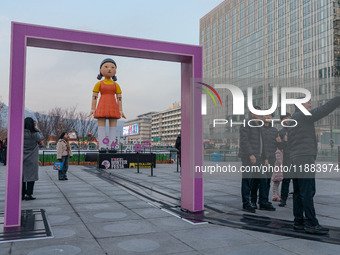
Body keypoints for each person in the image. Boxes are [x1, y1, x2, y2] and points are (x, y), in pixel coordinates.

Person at [288, 96, 340, 235]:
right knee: (307, 190)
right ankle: (311, 223)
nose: (310, 104)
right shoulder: (302, 115)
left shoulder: (295, 117)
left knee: (299, 192)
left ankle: (298, 222)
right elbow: (324, 109)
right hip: (304, 157)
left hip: (296, 158)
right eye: (307, 102)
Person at [238, 107, 274, 213]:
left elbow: (264, 144)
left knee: (263, 179)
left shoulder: (260, 126)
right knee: (247, 180)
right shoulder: (246, 123)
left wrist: (266, 158)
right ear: (251, 113)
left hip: (259, 158)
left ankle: (263, 202)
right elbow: (244, 141)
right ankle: (246, 204)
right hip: (248, 157)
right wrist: (250, 154)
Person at [89, 58, 126, 149]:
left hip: (113, 106)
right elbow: (94, 97)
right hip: (102, 105)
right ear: (100, 70)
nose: (109, 69)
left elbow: (119, 98)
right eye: (106, 66)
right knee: (101, 126)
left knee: (113, 127)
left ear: (115, 71)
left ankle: (112, 146)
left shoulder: (116, 85)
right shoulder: (99, 84)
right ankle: (102, 146)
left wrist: (120, 110)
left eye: (112, 67)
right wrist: (93, 109)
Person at [250, 113, 277, 211]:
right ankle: (252, 200)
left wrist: (281, 141)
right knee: (256, 181)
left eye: (270, 116)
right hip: (260, 158)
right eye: (266, 115)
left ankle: (263, 201)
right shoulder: (258, 129)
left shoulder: (274, 130)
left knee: (267, 182)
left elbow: (279, 145)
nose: (268, 117)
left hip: (271, 159)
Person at [22, 117, 44, 200]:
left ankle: (22, 194)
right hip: (32, 158)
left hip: (22, 158)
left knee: (23, 177)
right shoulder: (34, 134)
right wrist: (37, 129)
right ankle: (29, 194)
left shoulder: (21, 133)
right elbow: (41, 137)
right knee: (31, 177)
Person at [278, 113, 292, 207]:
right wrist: (284, 141)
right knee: (286, 179)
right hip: (287, 158)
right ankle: (283, 199)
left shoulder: (296, 129)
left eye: (288, 118)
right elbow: (280, 146)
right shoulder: (281, 132)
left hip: (297, 157)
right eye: (285, 119)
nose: (287, 120)